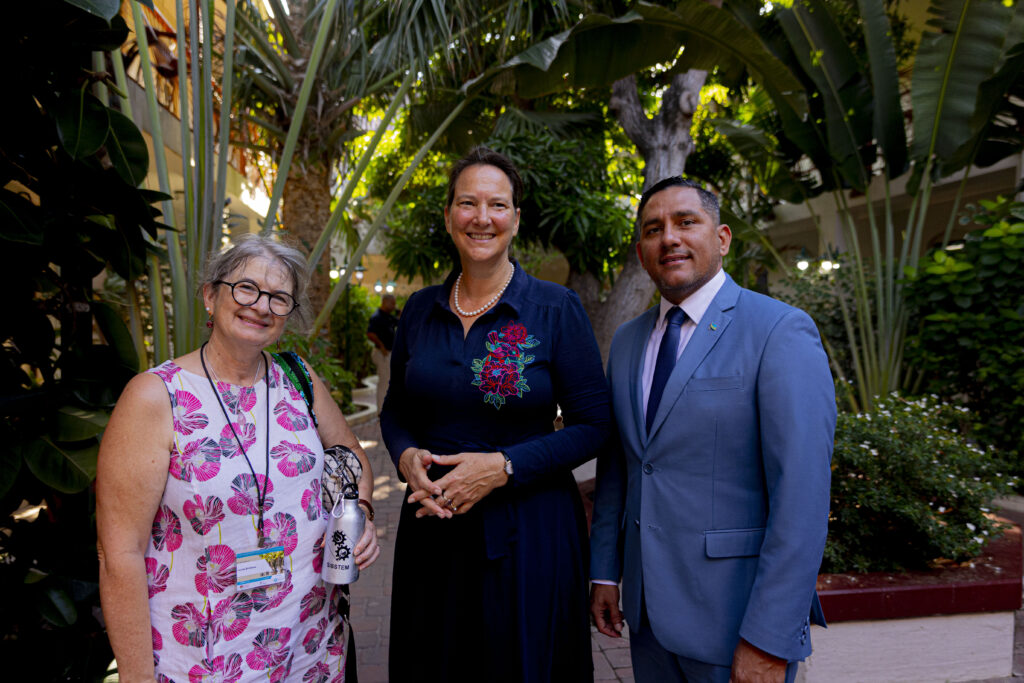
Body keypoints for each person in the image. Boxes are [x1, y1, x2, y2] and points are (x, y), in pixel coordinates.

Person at [97, 234, 380, 683]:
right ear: (211, 296)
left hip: (312, 647)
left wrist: (359, 511)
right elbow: (120, 554)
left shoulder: (298, 378)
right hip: (204, 658)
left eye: (279, 298)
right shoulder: (157, 397)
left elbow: (352, 459)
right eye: (247, 288)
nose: (262, 306)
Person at [589, 177, 835, 683]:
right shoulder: (629, 341)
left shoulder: (778, 330)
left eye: (686, 222)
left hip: (735, 622)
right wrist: (605, 573)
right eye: (653, 229)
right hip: (647, 617)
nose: (669, 238)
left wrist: (771, 636)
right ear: (641, 252)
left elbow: (802, 497)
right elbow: (621, 468)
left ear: (721, 238)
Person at [380, 147, 611, 682]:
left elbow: (594, 425)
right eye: (467, 203)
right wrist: (405, 454)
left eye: (497, 205)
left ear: (515, 219)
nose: (481, 217)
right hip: (432, 532)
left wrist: (503, 466)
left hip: (528, 532)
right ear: (448, 216)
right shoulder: (418, 310)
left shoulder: (556, 308)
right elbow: (395, 409)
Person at [366, 293, 398, 413]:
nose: (394, 306)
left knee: (390, 381)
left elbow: (400, 323)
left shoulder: (388, 316)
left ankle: (388, 408)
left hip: (389, 353)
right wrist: (381, 346)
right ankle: (381, 410)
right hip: (382, 353)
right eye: (392, 303)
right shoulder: (377, 317)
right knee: (384, 382)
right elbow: (370, 334)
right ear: (385, 302)